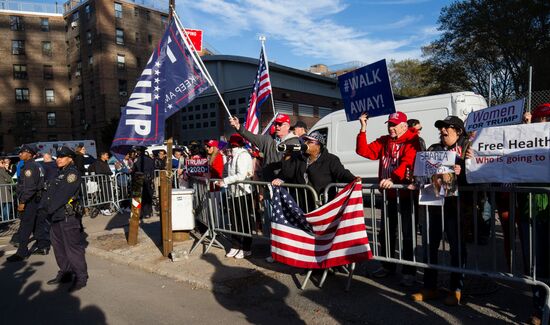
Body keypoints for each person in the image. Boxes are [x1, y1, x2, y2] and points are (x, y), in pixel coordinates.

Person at [355, 111, 420, 286]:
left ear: (404, 126)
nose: (391, 128)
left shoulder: (412, 140)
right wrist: (363, 129)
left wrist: (393, 179)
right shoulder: (385, 140)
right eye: (389, 124)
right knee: (386, 232)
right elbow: (364, 151)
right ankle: (388, 266)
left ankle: (409, 272)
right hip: (388, 195)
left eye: (394, 125)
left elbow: (409, 162)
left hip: (406, 195)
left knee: (408, 234)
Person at [411, 115, 470, 306]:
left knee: (456, 249)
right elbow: (420, 176)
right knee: (429, 246)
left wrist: (464, 172)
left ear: (458, 131)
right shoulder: (434, 149)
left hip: (457, 208)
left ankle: (456, 290)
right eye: (441, 128)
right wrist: (416, 177)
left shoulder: (469, 148)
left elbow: (480, 175)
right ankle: (430, 287)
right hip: (433, 207)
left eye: (447, 127)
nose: (443, 130)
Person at [273, 131, 356, 210]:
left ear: (318, 146)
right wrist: (288, 156)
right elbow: (288, 174)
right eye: (305, 141)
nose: (305, 143)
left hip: (323, 205)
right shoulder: (300, 158)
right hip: (303, 205)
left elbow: (341, 173)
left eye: (310, 142)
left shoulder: (330, 159)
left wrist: (353, 179)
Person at [43, 146, 88, 292]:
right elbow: (50, 193)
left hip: (67, 217)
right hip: (55, 216)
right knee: (59, 249)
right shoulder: (59, 173)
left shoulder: (72, 174)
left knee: (73, 249)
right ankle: (66, 273)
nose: (59, 159)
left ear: (70, 158)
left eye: (62, 157)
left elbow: (62, 195)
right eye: (58, 157)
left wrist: (48, 210)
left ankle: (81, 277)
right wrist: (42, 209)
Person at [214, 134, 254, 259]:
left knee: (244, 221)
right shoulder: (233, 155)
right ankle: (236, 245)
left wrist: (225, 181)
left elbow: (241, 175)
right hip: (233, 192)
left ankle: (246, 248)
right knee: (234, 221)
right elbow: (228, 171)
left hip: (243, 192)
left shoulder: (243, 155)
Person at [229, 113, 300, 181]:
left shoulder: (294, 142)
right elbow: (252, 137)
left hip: (285, 184)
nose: (277, 127)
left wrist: (282, 178)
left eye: (280, 124)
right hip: (267, 182)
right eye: (275, 124)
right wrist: (238, 126)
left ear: (287, 126)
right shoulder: (268, 139)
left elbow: (295, 165)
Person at [7, 145, 46, 262]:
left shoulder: (29, 167)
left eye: (22, 152)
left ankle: (21, 252)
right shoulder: (38, 165)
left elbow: (29, 188)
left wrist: (23, 202)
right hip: (38, 199)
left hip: (30, 201)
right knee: (38, 225)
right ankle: (42, 247)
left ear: (30, 154)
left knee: (25, 226)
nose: (20, 154)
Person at [88, 151, 114, 216]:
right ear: (102, 155)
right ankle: (105, 209)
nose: (108, 156)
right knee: (106, 194)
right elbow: (99, 172)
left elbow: (110, 171)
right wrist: (108, 173)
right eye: (106, 155)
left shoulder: (105, 162)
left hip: (106, 180)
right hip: (102, 180)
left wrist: (108, 173)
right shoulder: (98, 162)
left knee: (107, 194)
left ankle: (103, 208)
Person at [132, 146, 154, 219]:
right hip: (148, 179)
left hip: (139, 179)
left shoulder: (137, 160)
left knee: (138, 197)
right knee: (147, 196)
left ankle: (139, 213)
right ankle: (148, 212)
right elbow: (152, 170)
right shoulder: (150, 159)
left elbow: (134, 170)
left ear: (138, 151)